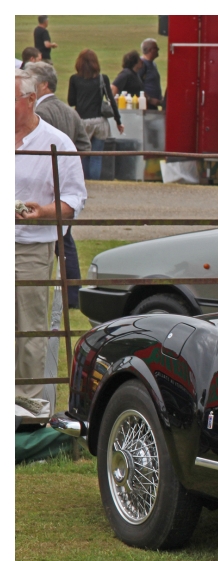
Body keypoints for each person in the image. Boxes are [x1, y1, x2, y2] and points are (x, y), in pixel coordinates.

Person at [15, 68, 87, 403]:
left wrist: (42, 212)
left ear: (30, 100)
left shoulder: (56, 142)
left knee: (28, 328)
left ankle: (26, 405)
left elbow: (74, 200)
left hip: (30, 248)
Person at [25, 60, 88, 308]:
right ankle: (73, 296)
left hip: (44, 189)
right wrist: (73, 169)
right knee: (66, 243)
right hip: (62, 188)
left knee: (59, 242)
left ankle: (71, 296)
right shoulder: (68, 110)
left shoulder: (39, 115)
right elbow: (84, 145)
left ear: (42, 85)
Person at [68, 48, 122, 179]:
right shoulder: (103, 79)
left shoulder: (74, 79)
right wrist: (118, 121)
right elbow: (111, 101)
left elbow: (71, 101)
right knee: (96, 157)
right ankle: (96, 183)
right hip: (99, 122)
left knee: (84, 156)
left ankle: (85, 183)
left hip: (82, 122)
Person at [137, 38, 162, 109]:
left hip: (153, 105)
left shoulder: (153, 64)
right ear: (150, 50)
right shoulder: (141, 65)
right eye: (156, 48)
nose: (158, 49)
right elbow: (136, 86)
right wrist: (150, 100)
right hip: (146, 106)